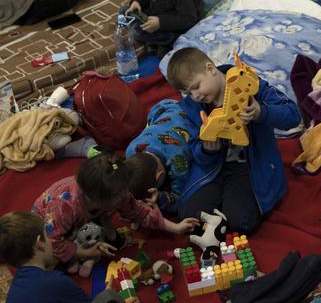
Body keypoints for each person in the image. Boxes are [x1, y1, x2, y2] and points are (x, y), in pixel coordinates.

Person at [166, 48, 302, 234]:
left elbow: (293, 116)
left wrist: (261, 112)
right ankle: (220, 211)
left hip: (248, 167)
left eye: (196, 86)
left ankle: (228, 211)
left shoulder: (248, 84)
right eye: (188, 93)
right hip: (214, 168)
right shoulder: (193, 106)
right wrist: (208, 150)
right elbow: (196, 151)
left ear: (210, 69)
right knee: (190, 219)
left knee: (240, 223)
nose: (195, 96)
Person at [31, 153, 199, 267]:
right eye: (120, 194)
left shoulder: (116, 192)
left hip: (89, 215)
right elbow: (53, 241)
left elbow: (140, 211)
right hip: (46, 224)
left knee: (113, 241)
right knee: (51, 261)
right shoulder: (64, 206)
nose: (126, 196)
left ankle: (97, 224)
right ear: (100, 199)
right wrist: (85, 253)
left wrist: (176, 227)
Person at [0, 211, 122, 303]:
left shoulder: (13, 293)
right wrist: (107, 295)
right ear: (40, 243)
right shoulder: (56, 281)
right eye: (46, 236)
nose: (51, 240)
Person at [125, 99, 195, 215]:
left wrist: (161, 197)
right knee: (154, 116)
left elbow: (180, 198)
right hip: (166, 106)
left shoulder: (178, 164)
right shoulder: (131, 149)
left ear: (159, 176)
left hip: (190, 114)